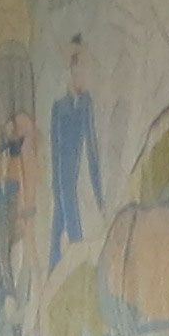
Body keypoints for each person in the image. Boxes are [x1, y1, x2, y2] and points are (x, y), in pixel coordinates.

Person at [44, 37, 107, 261]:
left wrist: (100, 197)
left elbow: (92, 151)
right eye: (80, 69)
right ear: (72, 69)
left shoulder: (86, 103)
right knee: (59, 238)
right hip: (62, 182)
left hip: (78, 184)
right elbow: (54, 153)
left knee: (73, 238)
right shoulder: (58, 107)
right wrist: (56, 188)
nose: (84, 75)